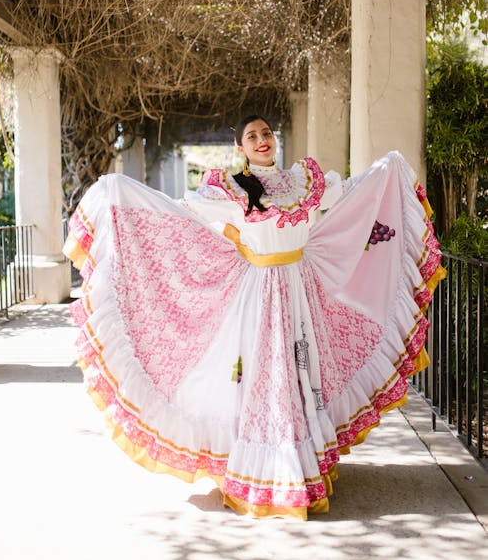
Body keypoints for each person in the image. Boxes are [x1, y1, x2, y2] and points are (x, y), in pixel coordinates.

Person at [63, 114, 445, 520]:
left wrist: (385, 171)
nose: (261, 140)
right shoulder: (230, 188)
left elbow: (348, 193)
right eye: (252, 136)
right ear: (239, 147)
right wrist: (120, 193)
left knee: (301, 376)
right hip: (259, 294)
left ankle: (301, 466)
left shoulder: (304, 182)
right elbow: (185, 211)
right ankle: (267, 475)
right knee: (265, 379)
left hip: (301, 288)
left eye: (266, 133)